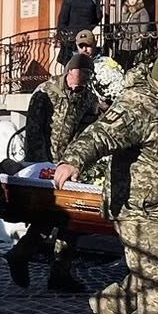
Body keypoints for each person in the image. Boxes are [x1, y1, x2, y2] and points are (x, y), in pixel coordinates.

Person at [53, 48, 158, 314]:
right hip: (138, 208)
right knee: (156, 277)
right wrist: (73, 160)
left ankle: (110, 305)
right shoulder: (136, 106)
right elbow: (100, 134)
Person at [7, 53, 99, 291]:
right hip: (44, 164)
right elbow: (35, 131)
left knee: (72, 218)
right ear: (69, 71)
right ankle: (22, 254)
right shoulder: (46, 92)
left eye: (89, 75)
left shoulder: (88, 96)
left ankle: (59, 272)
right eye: (81, 73)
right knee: (47, 217)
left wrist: (78, 162)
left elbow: (88, 131)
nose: (84, 79)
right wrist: (39, 165)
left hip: (70, 165)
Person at [57, 0, 99, 66]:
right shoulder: (89, 1)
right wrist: (91, 26)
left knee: (70, 64)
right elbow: (99, 15)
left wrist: (60, 35)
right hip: (86, 36)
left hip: (71, 37)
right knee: (85, 61)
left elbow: (63, 18)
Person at [116, 0, 154, 64]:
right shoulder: (125, 10)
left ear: (137, 0)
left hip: (135, 38)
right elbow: (122, 22)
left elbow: (144, 24)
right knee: (124, 57)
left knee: (134, 57)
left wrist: (141, 35)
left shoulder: (142, 11)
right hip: (125, 38)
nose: (132, 1)